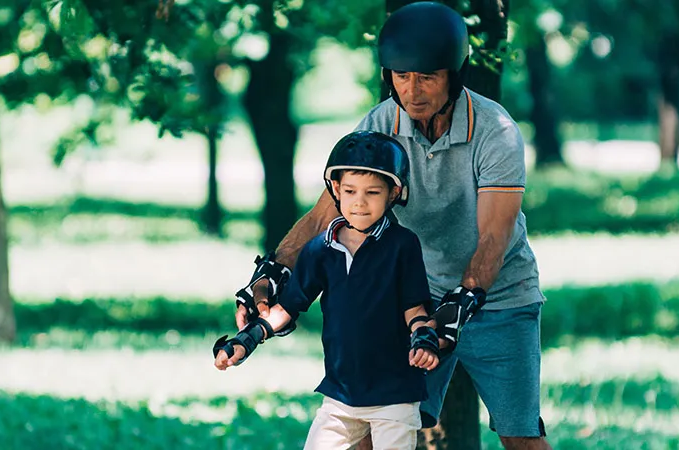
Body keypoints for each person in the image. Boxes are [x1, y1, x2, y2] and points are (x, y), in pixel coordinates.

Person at [234, 2, 552, 449]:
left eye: (426, 77)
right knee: (371, 423)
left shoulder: (495, 130)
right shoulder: (381, 125)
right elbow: (327, 212)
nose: (412, 90)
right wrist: (272, 271)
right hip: (414, 299)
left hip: (499, 297)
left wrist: (459, 306)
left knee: (520, 436)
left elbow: (494, 237)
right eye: (401, 76)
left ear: (453, 74)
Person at [215, 131, 443, 450]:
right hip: (340, 396)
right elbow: (288, 307)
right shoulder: (319, 250)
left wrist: (423, 338)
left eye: (372, 192)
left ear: (394, 193)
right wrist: (248, 339)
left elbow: (414, 308)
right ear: (335, 189)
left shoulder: (403, 245)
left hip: (395, 396)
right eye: (350, 191)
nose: (359, 202)